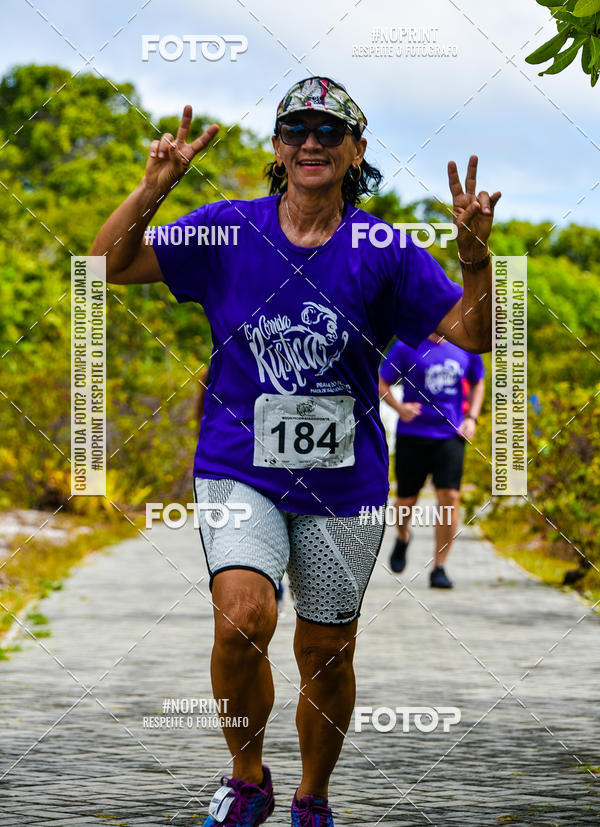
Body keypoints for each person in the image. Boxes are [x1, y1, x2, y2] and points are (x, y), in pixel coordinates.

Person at [90, 76, 500, 826]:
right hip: (239, 464)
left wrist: (476, 260)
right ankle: (249, 775)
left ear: (356, 151)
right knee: (243, 616)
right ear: (278, 148)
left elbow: (473, 334)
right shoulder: (226, 232)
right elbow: (106, 265)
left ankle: (313, 796)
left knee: (326, 651)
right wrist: (152, 189)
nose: (312, 141)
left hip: (344, 483)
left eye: (329, 131)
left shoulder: (385, 248)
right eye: (297, 129)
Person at [379, 334, 485, 588]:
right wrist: (399, 408)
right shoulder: (407, 345)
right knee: (405, 500)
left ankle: (440, 566)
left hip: (450, 435)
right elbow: (381, 382)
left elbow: (478, 381)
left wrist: (472, 417)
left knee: (449, 497)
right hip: (413, 435)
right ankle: (403, 536)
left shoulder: (466, 345)